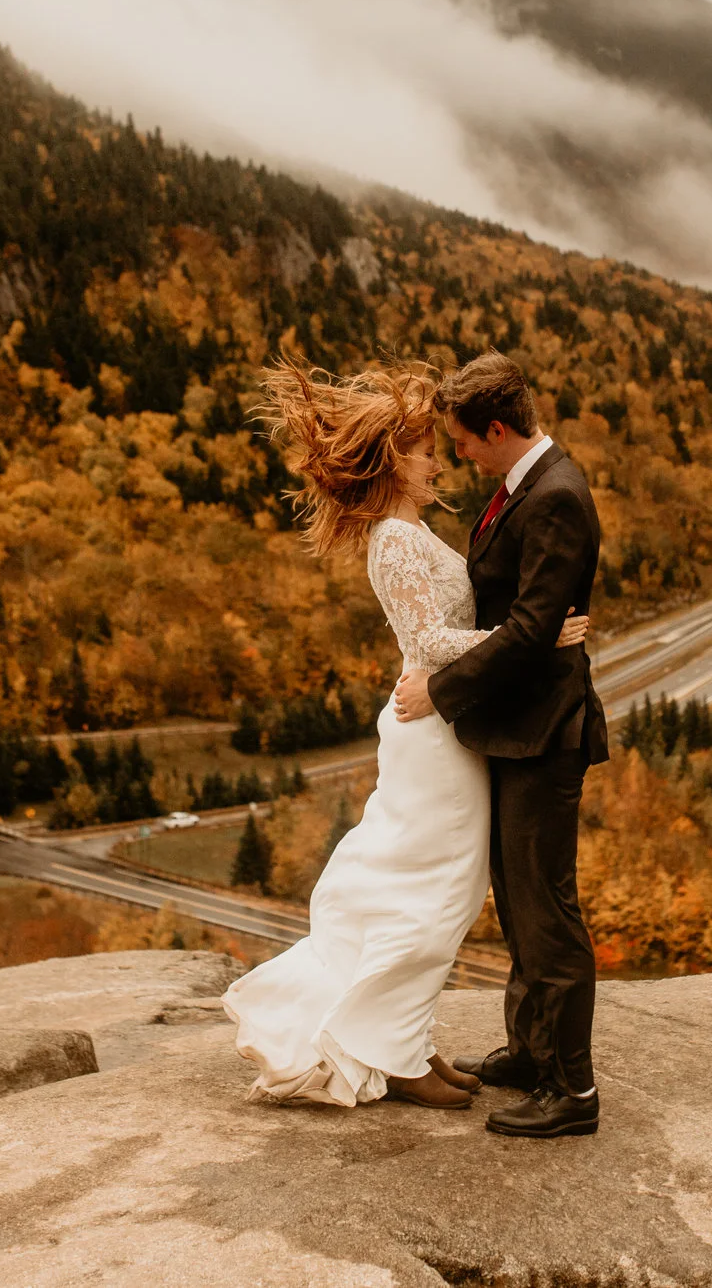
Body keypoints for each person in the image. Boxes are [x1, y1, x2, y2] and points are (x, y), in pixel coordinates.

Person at [221, 361, 590, 1110]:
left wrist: (524, 630)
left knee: (445, 892)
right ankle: (395, 1049)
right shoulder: (394, 539)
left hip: (447, 722)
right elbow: (428, 639)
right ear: (396, 462)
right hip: (433, 725)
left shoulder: (414, 529)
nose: (439, 461)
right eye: (425, 450)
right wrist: (534, 635)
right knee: (434, 893)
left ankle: (406, 1040)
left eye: (442, 445)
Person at [393, 350, 611, 1140]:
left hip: (544, 732)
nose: (456, 454)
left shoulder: (555, 495)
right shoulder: (520, 487)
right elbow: (526, 615)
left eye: (462, 440)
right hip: (515, 726)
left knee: (548, 909)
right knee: (518, 904)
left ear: (495, 427)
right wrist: (542, 630)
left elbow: (528, 630)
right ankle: (529, 1049)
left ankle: (572, 1091)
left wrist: (441, 689)